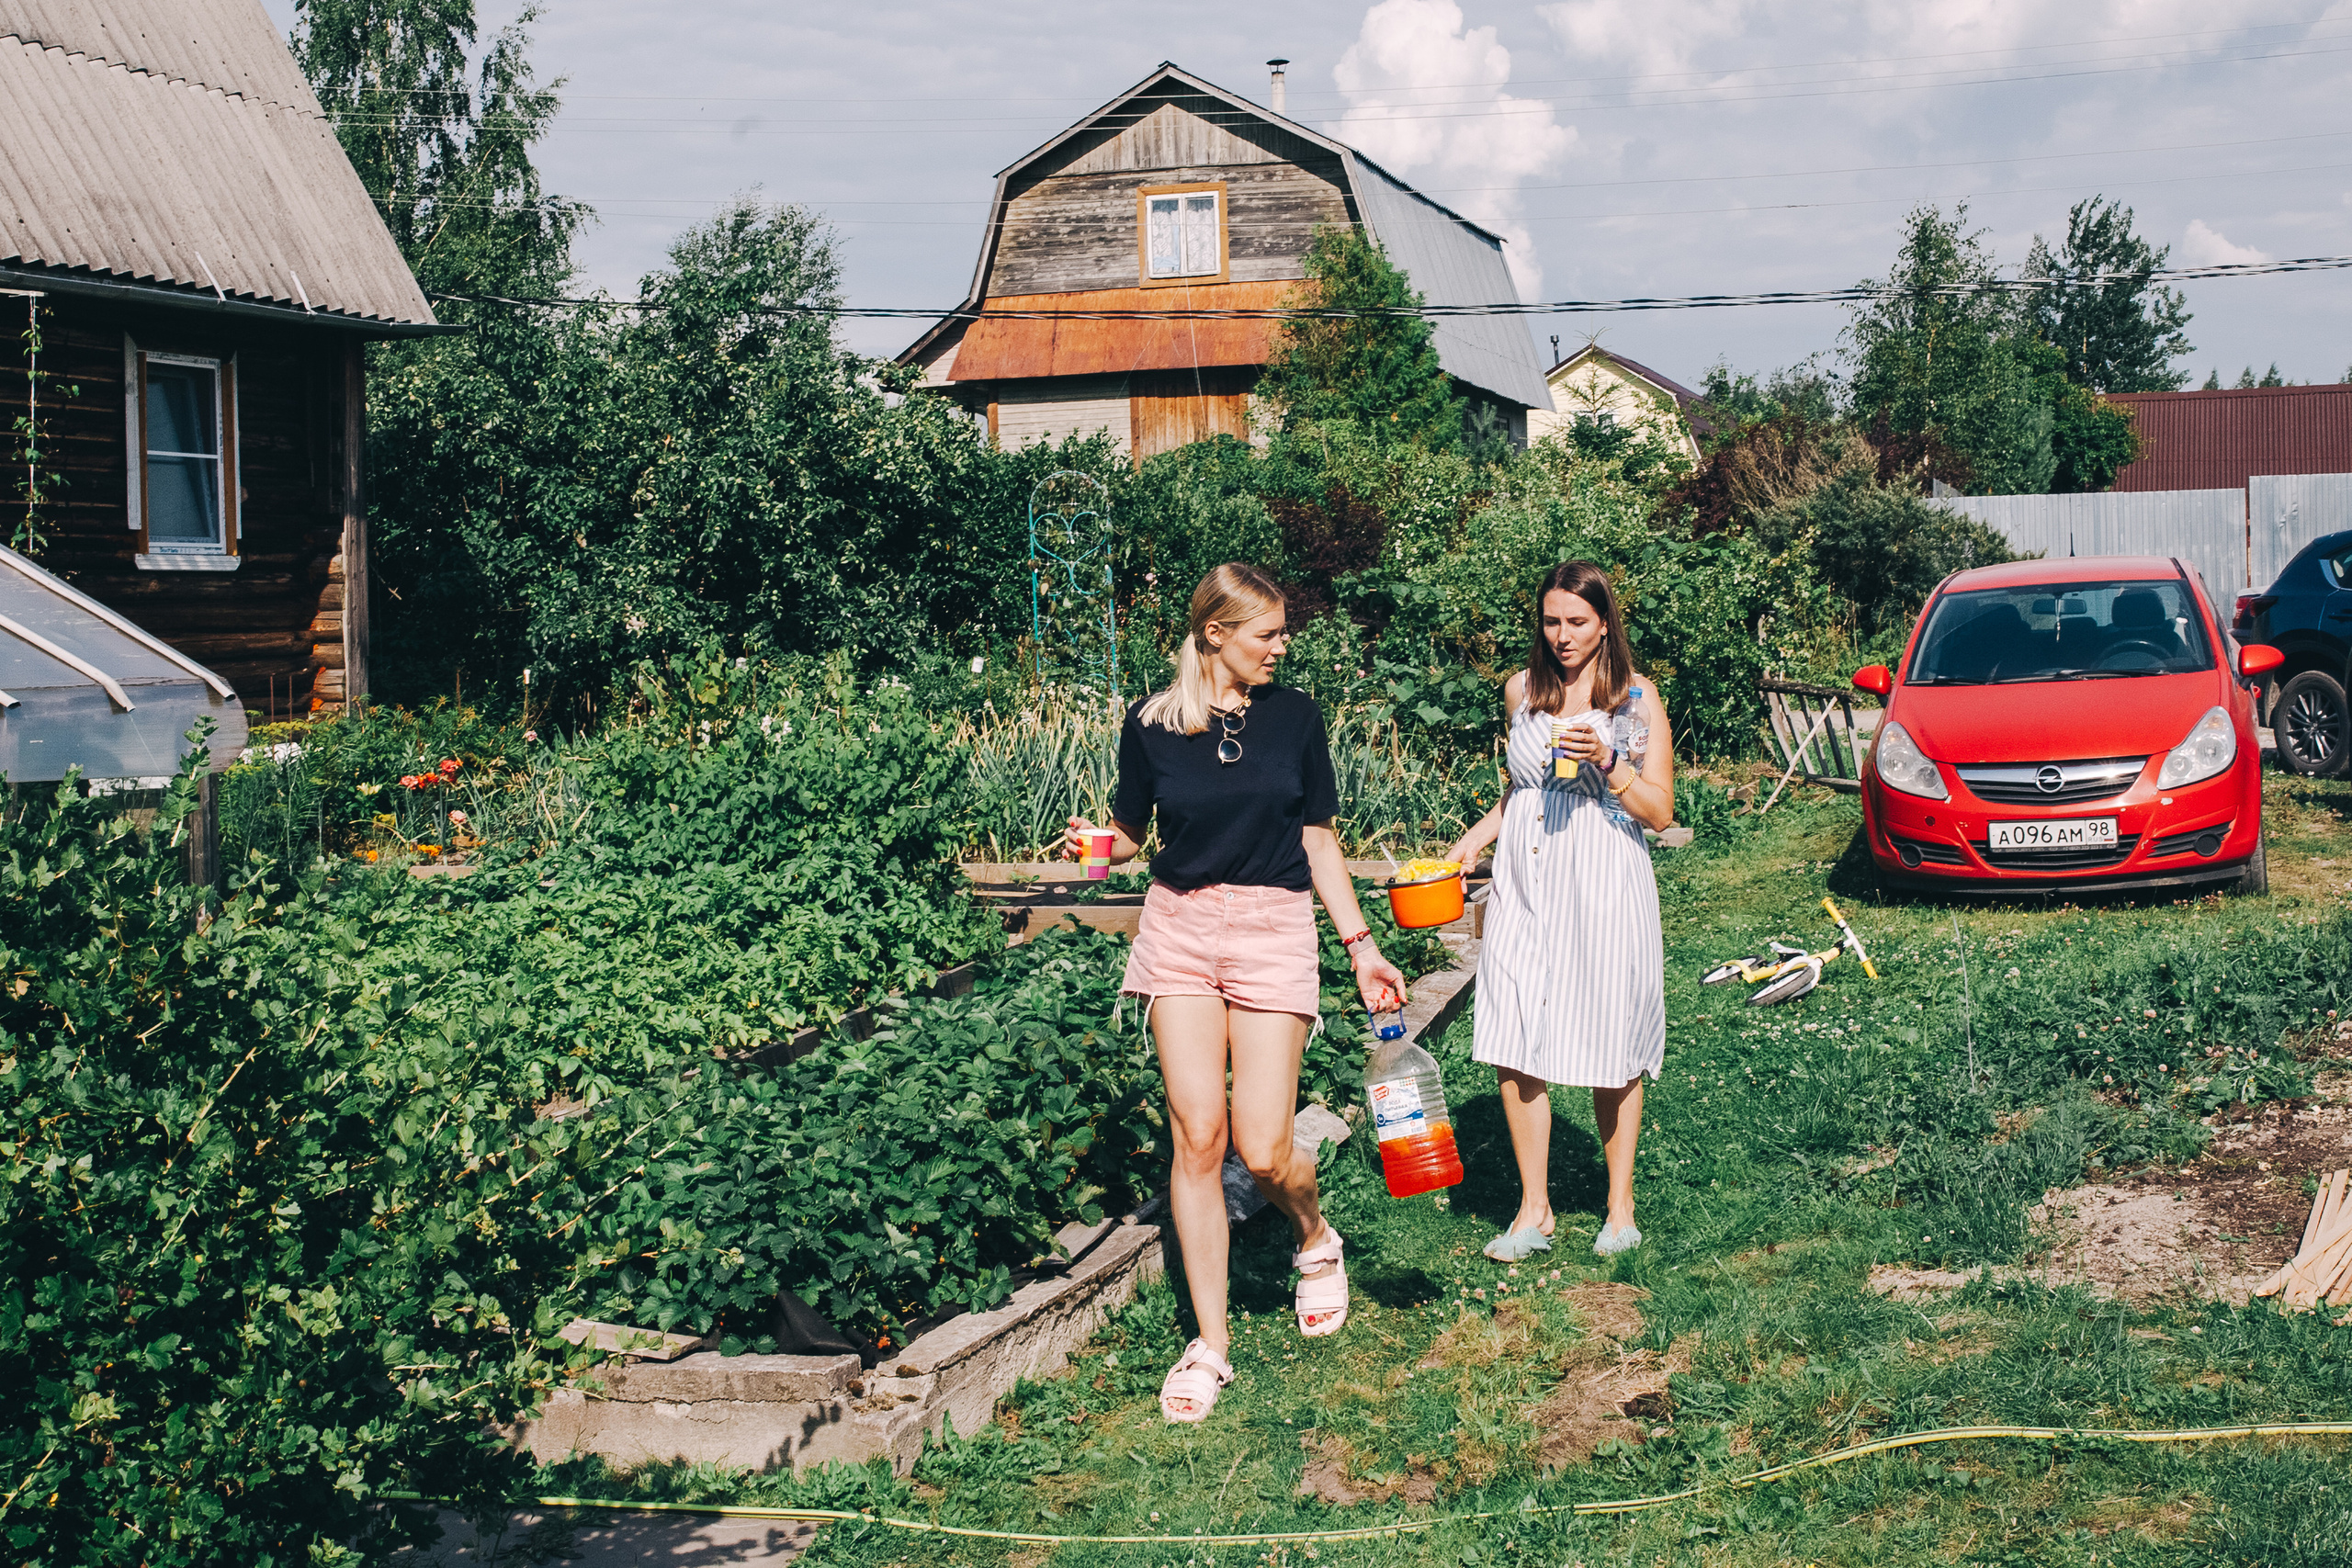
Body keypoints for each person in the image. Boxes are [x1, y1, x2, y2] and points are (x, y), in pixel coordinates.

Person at [1065, 563, 1408, 1424]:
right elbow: (1135, 835)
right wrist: (1093, 846)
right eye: (1269, 634)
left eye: (1282, 633)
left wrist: (1361, 948)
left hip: (1271, 927)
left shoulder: (1295, 717)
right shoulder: (1148, 724)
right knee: (1196, 1135)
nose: (1282, 647)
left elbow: (1320, 840)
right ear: (1214, 634)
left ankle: (1313, 1235)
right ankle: (1209, 1345)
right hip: (1178, 927)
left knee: (1260, 1149)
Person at [1441, 560, 1673, 1263]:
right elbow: (1522, 790)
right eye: (1551, 620)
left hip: (1601, 875)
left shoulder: (1635, 700)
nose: (1563, 635)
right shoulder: (1522, 691)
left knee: (1611, 1036)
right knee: (1512, 1030)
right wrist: (1476, 838)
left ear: (1604, 622)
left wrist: (1609, 760)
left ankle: (1619, 1207)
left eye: (1577, 621)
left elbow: (1660, 811)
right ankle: (1534, 1210)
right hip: (1526, 875)